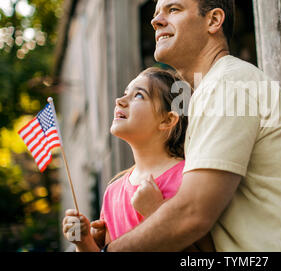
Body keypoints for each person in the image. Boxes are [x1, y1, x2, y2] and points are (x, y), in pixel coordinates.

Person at [103, 0, 281, 251]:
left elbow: (192, 213)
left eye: (174, 9)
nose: (156, 21)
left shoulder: (229, 83)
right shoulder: (210, 91)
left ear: (214, 20)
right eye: (157, 14)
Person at [61, 67, 214, 251]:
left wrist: (156, 211)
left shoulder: (189, 177)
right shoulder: (113, 191)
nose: (119, 100)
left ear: (167, 120)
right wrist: (84, 242)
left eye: (139, 96)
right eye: (125, 93)